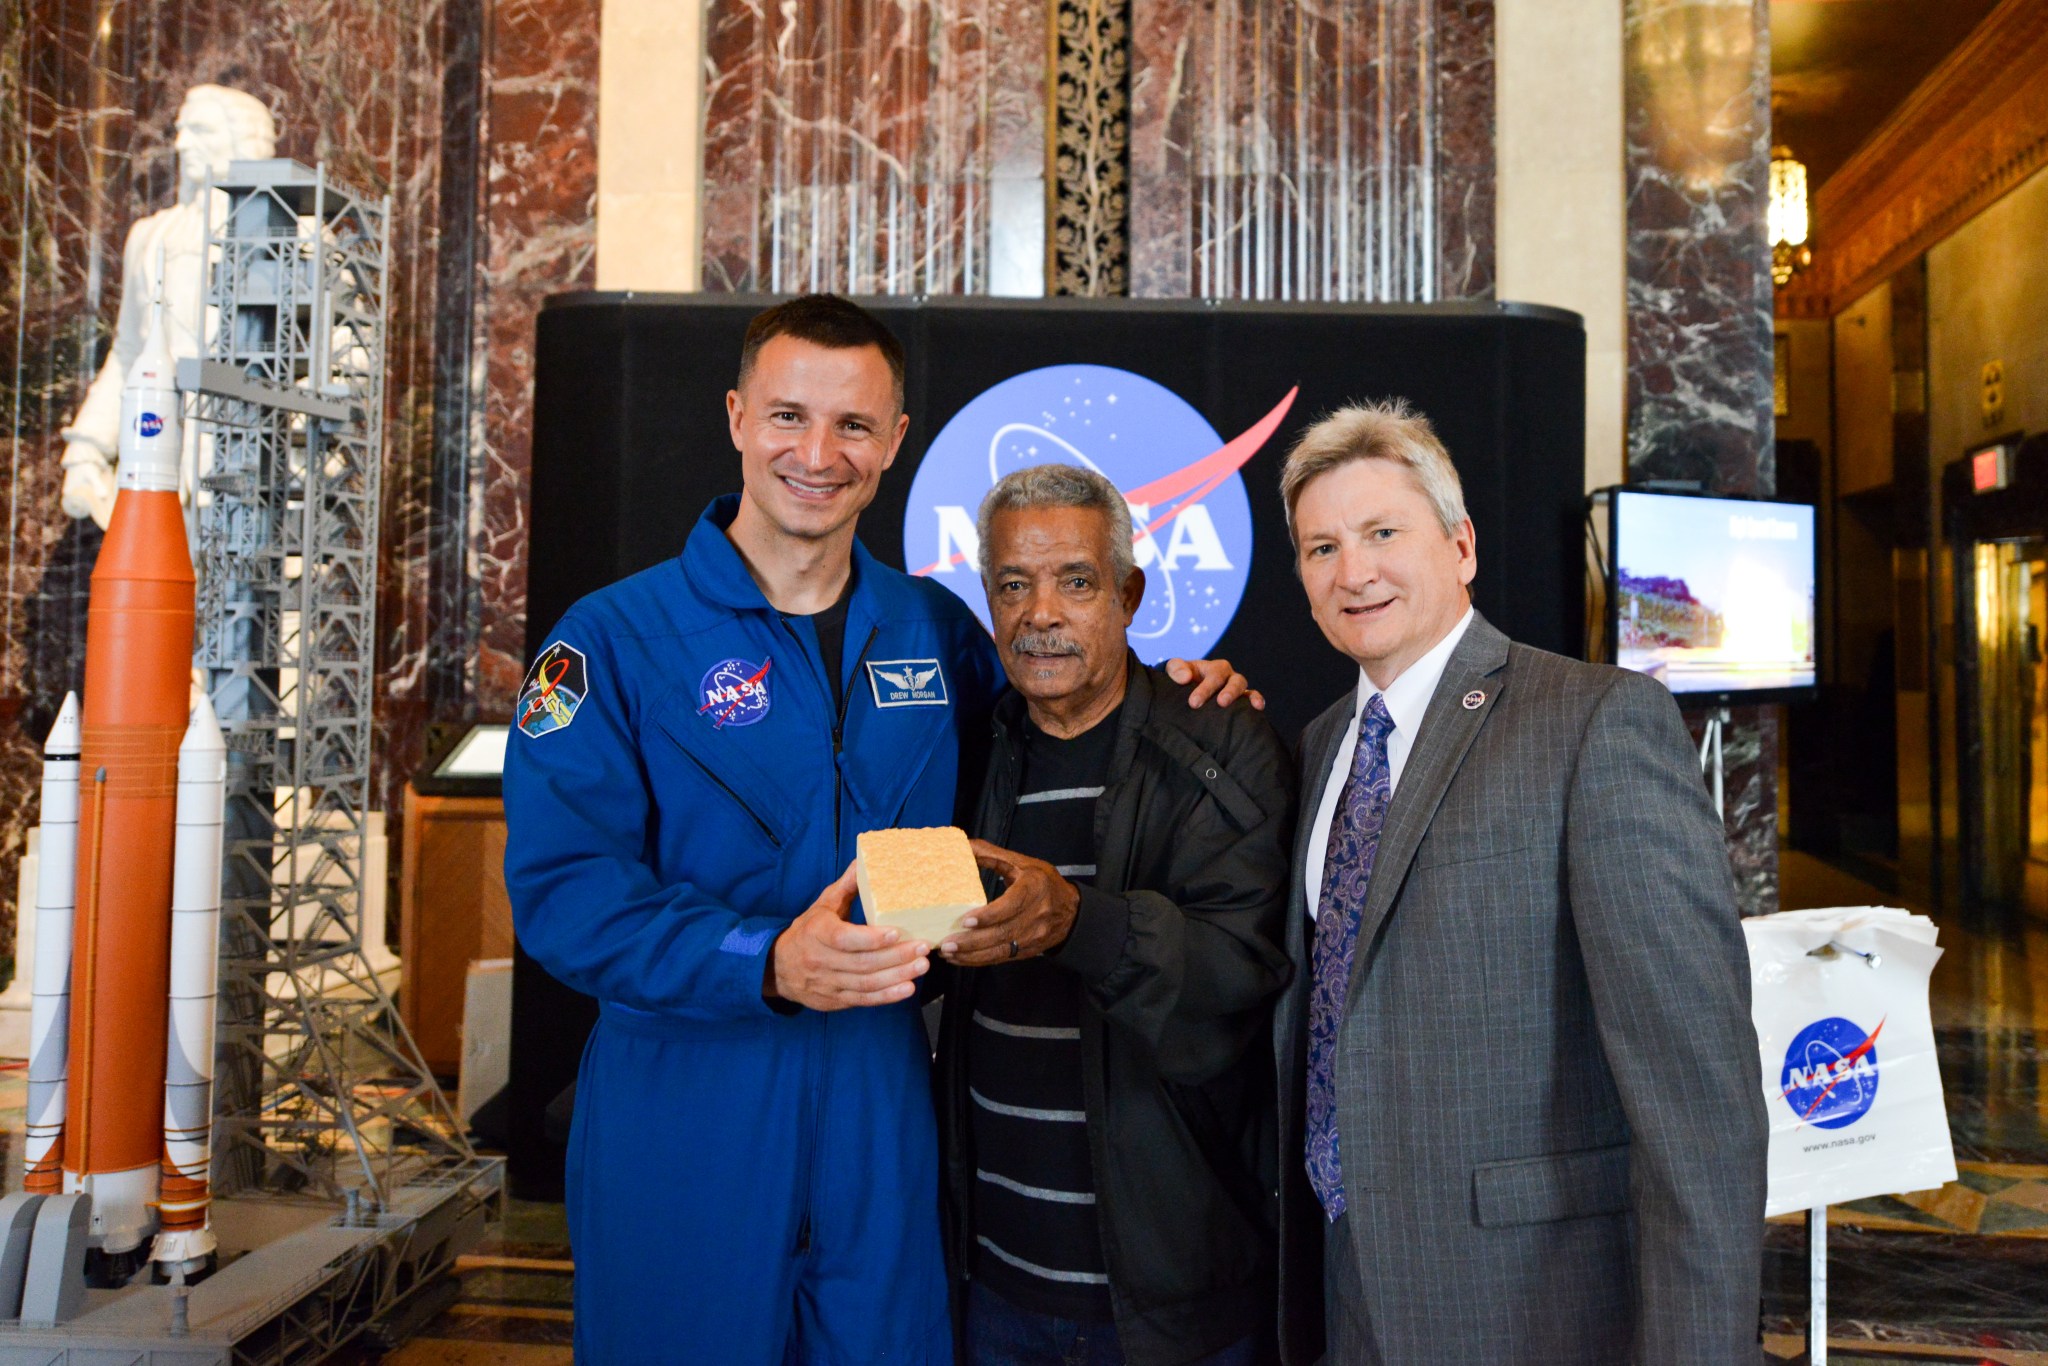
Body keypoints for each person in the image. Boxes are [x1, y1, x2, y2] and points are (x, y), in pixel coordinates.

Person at [502, 294, 1253, 1363]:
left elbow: (1065, 720)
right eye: (787, 417)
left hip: (882, 1105)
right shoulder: (613, 640)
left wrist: (1178, 690)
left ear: (895, 441)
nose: (818, 452)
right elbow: (564, 890)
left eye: (853, 425)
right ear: (734, 418)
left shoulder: (935, 631)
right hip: (685, 1102)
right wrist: (762, 958)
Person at [1270, 402, 1767, 1364]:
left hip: (1534, 1303)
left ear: (1460, 546)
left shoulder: (1597, 724)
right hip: (1346, 1284)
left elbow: (1697, 1098)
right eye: (1320, 547)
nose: (1353, 571)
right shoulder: (1322, 744)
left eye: (1382, 533)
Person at [929, 466, 1293, 1366]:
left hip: (1170, 1306)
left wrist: (1080, 922)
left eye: (1076, 582)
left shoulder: (1220, 741)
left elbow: (1241, 975)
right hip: (991, 1284)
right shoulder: (963, 750)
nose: (1040, 612)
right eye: (1013, 584)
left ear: (1129, 593)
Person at [61, 85, 277, 532]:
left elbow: (340, 356)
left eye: (200, 131)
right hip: (163, 463)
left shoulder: (297, 238)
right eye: (180, 131)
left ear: (241, 139)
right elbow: (127, 353)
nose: (180, 145)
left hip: (256, 469)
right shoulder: (151, 236)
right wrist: (86, 447)